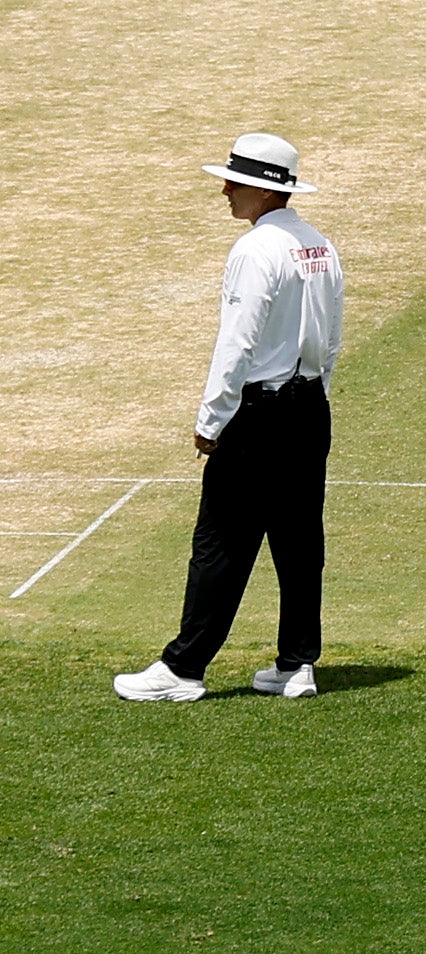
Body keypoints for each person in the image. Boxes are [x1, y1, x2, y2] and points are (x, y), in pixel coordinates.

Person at [114, 135, 344, 702]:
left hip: (258, 414)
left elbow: (236, 345)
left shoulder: (255, 251)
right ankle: (297, 665)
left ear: (263, 189)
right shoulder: (318, 245)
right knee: (298, 540)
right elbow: (331, 337)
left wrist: (212, 419)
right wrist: (313, 396)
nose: (224, 190)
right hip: (309, 408)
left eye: (234, 182)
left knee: (221, 539)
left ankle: (182, 670)